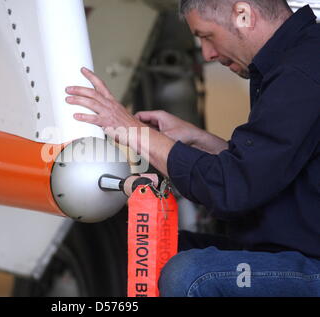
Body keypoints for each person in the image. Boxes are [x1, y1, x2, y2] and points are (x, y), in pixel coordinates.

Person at [65, 0, 320, 297]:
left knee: (188, 274)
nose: (207, 53)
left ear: (244, 13)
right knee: (146, 247)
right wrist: (197, 138)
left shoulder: (303, 71)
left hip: (310, 261)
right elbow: (265, 171)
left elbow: (234, 190)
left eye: (206, 35)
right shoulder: (291, 61)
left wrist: (132, 130)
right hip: (290, 250)